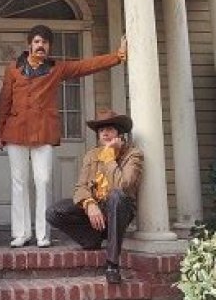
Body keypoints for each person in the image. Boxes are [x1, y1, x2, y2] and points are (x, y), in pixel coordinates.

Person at [0, 25, 126, 248]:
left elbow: (85, 66)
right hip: (15, 131)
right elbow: (4, 101)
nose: (41, 46)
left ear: (49, 47)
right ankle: (21, 233)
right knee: (19, 182)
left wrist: (117, 56)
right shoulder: (13, 68)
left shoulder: (56, 69)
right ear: (29, 44)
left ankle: (43, 235)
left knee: (43, 180)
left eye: (45, 42)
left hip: (43, 132)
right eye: (37, 41)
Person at [46, 109, 143, 284]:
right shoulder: (92, 155)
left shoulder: (132, 155)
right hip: (97, 210)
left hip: (118, 210)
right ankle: (92, 239)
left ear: (119, 134)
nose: (105, 133)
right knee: (54, 212)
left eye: (110, 129)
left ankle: (112, 264)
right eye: (101, 130)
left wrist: (109, 158)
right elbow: (80, 187)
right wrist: (90, 204)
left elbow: (123, 186)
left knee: (116, 196)